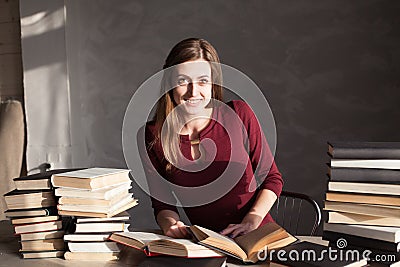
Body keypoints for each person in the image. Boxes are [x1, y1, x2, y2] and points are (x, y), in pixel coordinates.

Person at [139, 38, 283, 239]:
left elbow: (271, 178)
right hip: (209, 243)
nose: (193, 92)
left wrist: (252, 219)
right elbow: (163, 205)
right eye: (183, 81)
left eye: (203, 81)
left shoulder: (239, 114)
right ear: (169, 83)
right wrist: (170, 224)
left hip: (257, 235)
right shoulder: (152, 135)